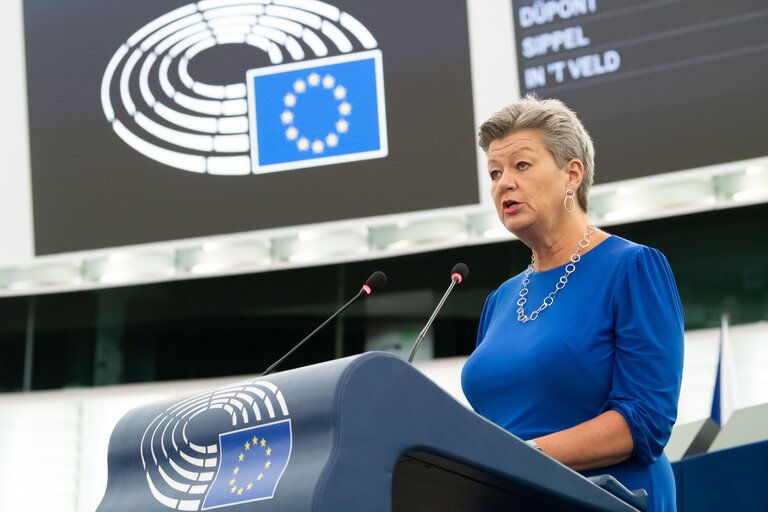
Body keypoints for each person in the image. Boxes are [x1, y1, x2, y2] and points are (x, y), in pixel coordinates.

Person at [461, 95, 684, 511]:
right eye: (495, 172)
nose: (503, 183)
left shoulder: (631, 267)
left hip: (608, 497)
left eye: (521, 166)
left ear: (572, 174)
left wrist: (522, 457)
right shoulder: (500, 300)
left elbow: (646, 420)